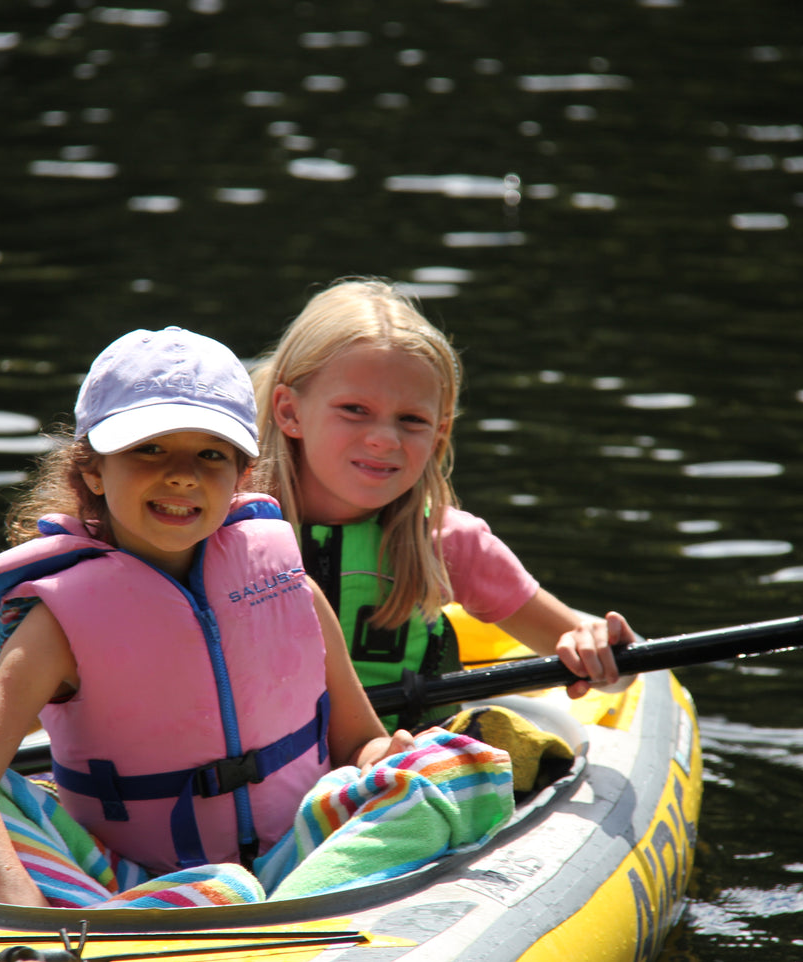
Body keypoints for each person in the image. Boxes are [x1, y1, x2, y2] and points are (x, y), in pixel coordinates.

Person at [0, 326, 411, 905]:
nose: (182, 474)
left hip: (298, 857)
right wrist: (30, 915)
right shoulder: (58, 622)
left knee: (450, 768)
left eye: (210, 454)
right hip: (137, 881)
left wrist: (388, 759)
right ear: (93, 472)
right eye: (148, 448)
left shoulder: (285, 579)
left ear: (240, 479)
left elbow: (359, 739)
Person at [250, 278, 634, 730]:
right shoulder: (219, 524)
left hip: (403, 769)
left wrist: (602, 651)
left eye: (411, 420)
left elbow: (600, 667)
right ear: (290, 412)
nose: (383, 438)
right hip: (267, 775)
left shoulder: (449, 543)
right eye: (354, 409)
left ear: (438, 436)